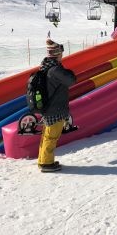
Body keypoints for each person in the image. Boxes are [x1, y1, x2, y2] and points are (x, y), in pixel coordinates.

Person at [37, 38, 76, 172]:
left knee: (47, 135)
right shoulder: (55, 70)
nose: (62, 56)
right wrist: (68, 71)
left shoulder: (45, 67)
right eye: (60, 54)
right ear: (57, 54)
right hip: (55, 109)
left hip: (49, 107)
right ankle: (46, 164)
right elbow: (71, 80)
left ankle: (43, 160)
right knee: (51, 136)